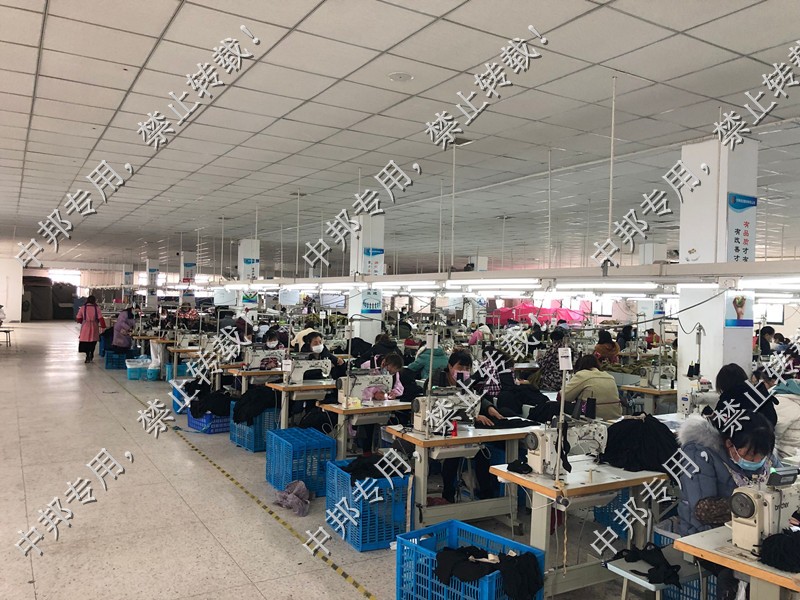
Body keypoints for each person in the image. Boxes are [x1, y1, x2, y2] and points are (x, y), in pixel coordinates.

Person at [676, 411, 779, 599]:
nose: (758, 461)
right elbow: (703, 510)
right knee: (741, 575)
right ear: (730, 444)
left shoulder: (763, 451)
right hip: (705, 535)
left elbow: (783, 484)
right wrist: (754, 505)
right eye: (751, 455)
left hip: (753, 533)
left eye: (762, 455)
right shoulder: (699, 454)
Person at [426, 350, 504, 503]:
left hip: (461, 427)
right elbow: (441, 406)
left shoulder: (465, 382)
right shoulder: (436, 381)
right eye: (460, 367)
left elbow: (474, 397)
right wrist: (472, 416)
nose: (464, 371)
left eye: (467, 368)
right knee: (453, 453)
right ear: (450, 366)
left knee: (482, 451)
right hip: (438, 427)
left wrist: (489, 408)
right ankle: (448, 495)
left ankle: (486, 495)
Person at [356, 353, 405, 455]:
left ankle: (384, 451)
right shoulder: (367, 367)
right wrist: (373, 394)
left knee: (391, 420)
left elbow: (398, 385)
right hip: (363, 402)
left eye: (394, 372)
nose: (392, 374)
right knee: (369, 421)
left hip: (381, 402)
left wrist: (394, 393)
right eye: (390, 371)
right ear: (384, 363)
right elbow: (359, 387)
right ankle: (367, 452)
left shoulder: (394, 373)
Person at [711, 363, 778, 428]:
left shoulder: (729, 396)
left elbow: (717, 423)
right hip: (768, 432)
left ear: (723, 383)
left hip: (746, 434)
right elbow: (772, 418)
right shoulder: (760, 392)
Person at [563, 355, 621, 420]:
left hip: (594, 414)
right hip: (615, 415)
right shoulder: (609, 376)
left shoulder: (582, 375)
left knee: (555, 406)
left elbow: (564, 396)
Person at [76, 295, 106, 363]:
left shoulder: (83, 308)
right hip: (94, 325)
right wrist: (103, 327)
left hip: (85, 326)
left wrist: (83, 321)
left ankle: (87, 355)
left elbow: (78, 318)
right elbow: (101, 318)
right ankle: (91, 353)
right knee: (93, 341)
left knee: (86, 341)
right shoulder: (97, 308)